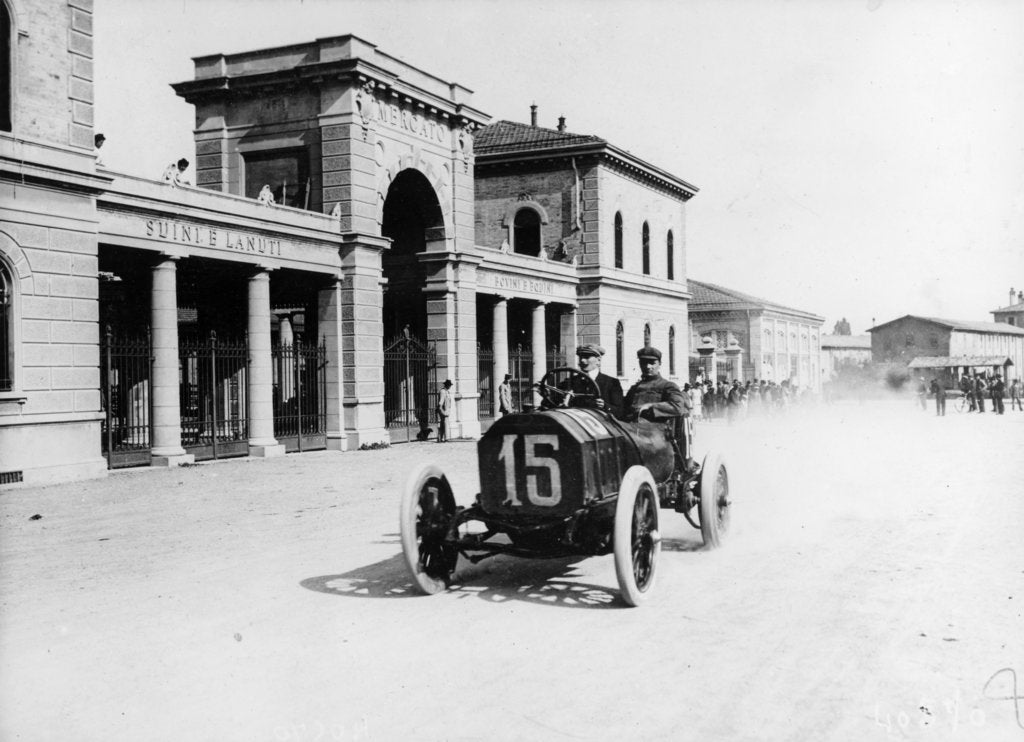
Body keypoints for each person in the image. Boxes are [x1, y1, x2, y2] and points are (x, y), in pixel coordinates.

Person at [624, 346, 690, 422]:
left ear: (660, 363)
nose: (648, 367)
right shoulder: (634, 388)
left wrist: (651, 406)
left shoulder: (668, 386)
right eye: (643, 363)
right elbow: (623, 408)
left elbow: (678, 407)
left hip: (655, 429)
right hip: (631, 427)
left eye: (652, 363)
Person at [566, 343, 624, 418]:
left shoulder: (611, 383)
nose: (582, 360)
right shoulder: (571, 382)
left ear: (598, 361)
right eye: (580, 357)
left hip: (600, 424)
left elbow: (620, 411)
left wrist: (604, 406)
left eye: (587, 357)